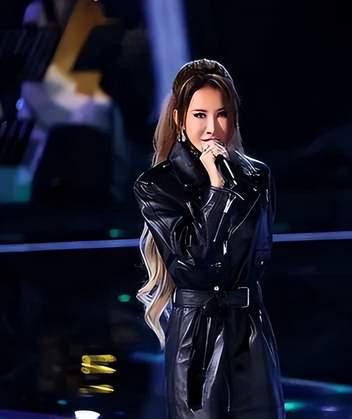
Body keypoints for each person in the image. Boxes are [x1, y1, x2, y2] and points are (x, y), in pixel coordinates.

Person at [133, 58, 285, 419]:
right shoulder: (157, 185)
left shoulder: (257, 177)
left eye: (222, 114)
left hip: (250, 329)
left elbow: (260, 254)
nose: (212, 128)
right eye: (200, 115)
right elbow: (193, 261)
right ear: (179, 120)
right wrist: (216, 189)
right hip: (196, 337)